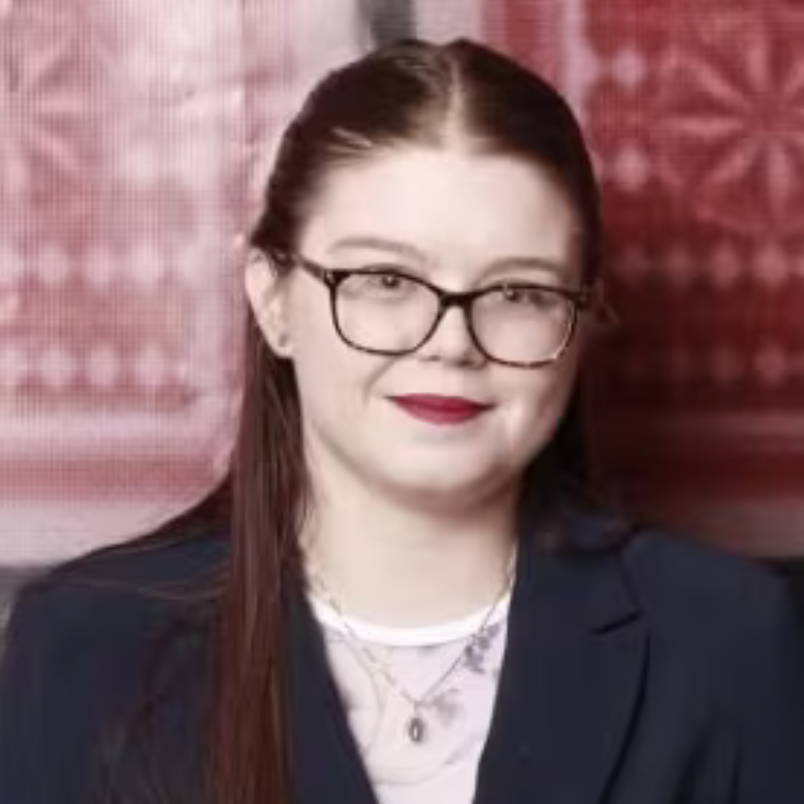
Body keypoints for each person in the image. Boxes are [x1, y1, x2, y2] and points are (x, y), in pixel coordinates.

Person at [1, 37, 803, 804]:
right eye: (387, 279)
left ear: (585, 318)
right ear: (272, 300)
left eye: (519, 292)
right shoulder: (83, 647)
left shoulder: (728, 640)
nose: (451, 344)